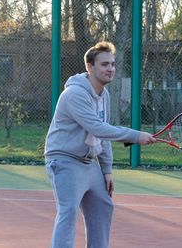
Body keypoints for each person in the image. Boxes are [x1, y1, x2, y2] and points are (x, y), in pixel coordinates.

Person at [44, 41, 156, 248]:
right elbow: (98, 129)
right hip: (65, 161)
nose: (111, 69)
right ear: (90, 66)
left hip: (89, 164)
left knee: (103, 206)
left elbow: (102, 135)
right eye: (105, 64)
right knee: (68, 212)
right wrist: (135, 136)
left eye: (112, 64)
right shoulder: (74, 94)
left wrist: (106, 170)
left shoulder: (104, 95)